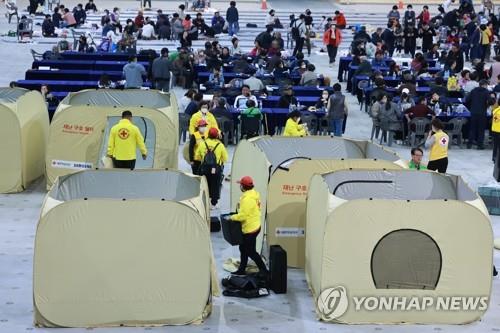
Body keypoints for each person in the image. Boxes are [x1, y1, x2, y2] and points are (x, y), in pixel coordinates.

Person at [228, 176, 269, 276]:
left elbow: (243, 216)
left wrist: (232, 217)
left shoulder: (247, 199)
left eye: (240, 184)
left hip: (250, 229)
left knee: (250, 251)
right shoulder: (253, 194)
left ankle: (264, 270)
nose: (240, 186)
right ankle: (242, 269)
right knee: (243, 249)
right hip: (254, 225)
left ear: (243, 186)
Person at [195, 127, 228, 208]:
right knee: (215, 185)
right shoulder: (220, 145)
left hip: (204, 169)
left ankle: (204, 201)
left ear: (208, 134)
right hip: (216, 169)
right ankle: (213, 203)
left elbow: (197, 157)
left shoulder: (202, 144)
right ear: (217, 136)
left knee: (205, 184)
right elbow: (225, 158)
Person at [466, 79, 493, 149]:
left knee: (472, 128)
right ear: (484, 85)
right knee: (481, 129)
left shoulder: (473, 91)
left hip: (473, 112)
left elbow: (467, 99)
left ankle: (469, 144)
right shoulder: (486, 92)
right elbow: (490, 101)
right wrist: (488, 104)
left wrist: (471, 107)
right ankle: (479, 145)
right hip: (482, 112)